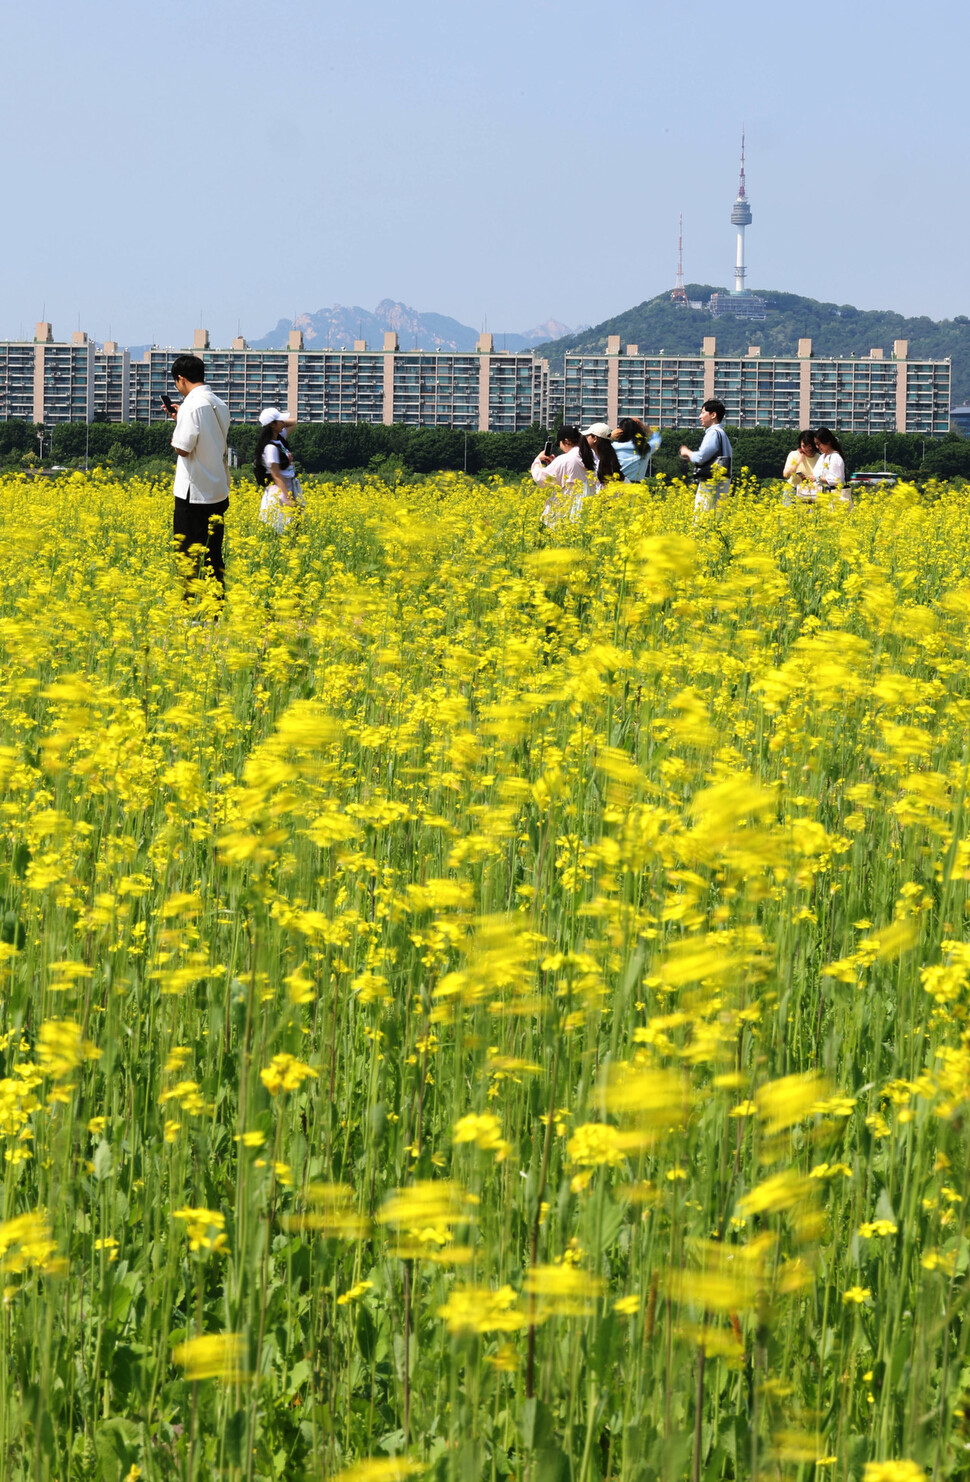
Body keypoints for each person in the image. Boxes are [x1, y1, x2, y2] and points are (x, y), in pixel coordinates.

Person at [167, 354, 231, 597]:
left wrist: (178, 424)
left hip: (193, 494)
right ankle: (215, 606)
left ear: (181, 379)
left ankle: (190, 609)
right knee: (213, 552)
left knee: (188, 554)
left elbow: (183, 447)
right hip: (217, 491)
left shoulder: (191, 406)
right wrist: (179, 417)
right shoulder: (219, 404)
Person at [531, 426, 598, 526]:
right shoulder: (589, 455)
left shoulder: (565, 459)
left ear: (566, 441)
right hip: (587, 509)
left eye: (560, 444)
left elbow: (542, 479)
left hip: (567, 509)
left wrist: (537, 460)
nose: (560, 447)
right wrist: (554, 463)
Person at [254, 407, 303, 532]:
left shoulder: (279, 438)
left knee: (293, 529)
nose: (283, 422)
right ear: (272, 424)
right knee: (283, 530)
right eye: (280, 420)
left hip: (288, 486)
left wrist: (277, 423)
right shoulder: (270, 448)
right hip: (280, 492)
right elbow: (276, 475)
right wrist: (289, 499)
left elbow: (294, 422)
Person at [679, 399, 732, 513]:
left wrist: (687, 452)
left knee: (702, 519)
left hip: (711, 484)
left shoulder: (713, 433)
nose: (700, 416)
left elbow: (701, 457)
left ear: (713, 415)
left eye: (703, 412)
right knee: (716, 521)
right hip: (722, 482)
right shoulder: (722, 434)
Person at [811, 428, 851, 504]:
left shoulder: (835, 457)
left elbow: (837, 480)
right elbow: (816, 474)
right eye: (815, 444)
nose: (817, 447)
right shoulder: (822, 457)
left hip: (833, 498)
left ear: (828, 442)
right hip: (822, 497)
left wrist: (818, 479)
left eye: (819, 444)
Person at [611, 418, 652, 482]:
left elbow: (596, 449)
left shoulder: (613, 447)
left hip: (617, 486)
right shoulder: (646, 448)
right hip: (637, 488)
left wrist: (610, 436)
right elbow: (657, 438)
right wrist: (643, 427)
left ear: (619, 432)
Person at [783, 431, 818, 501]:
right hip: (792, 491)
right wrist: (799, 460)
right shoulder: (794, 455)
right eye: (804, 446)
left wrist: (811, 478)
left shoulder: (819, 458)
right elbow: (786, 475)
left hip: (810, 493)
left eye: (809, 446)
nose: (807, 449)